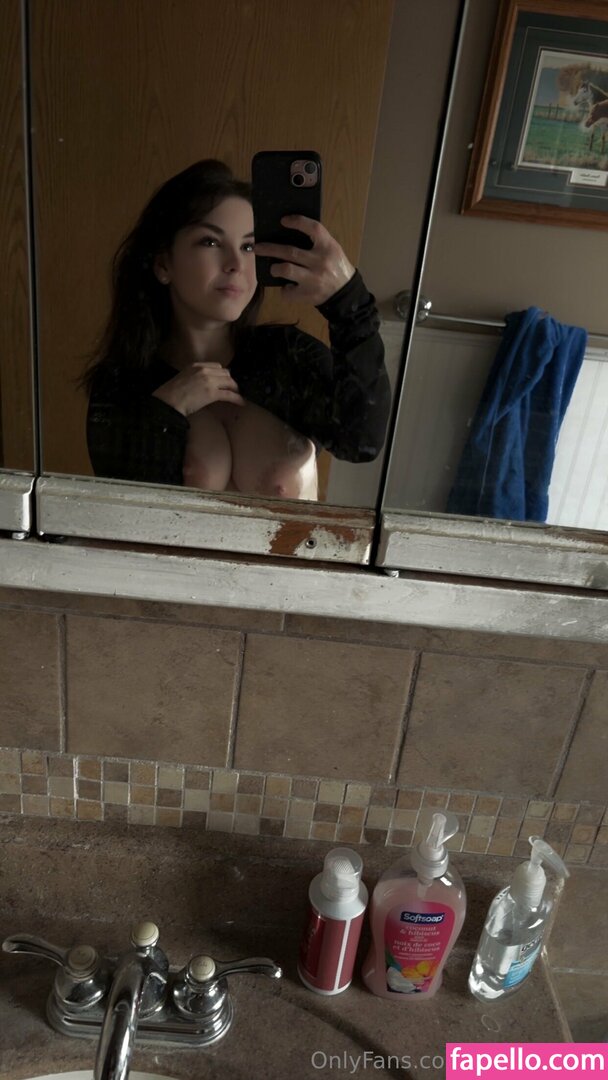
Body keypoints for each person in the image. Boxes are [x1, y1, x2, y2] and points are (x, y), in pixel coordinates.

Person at [83, 159, 391, 500]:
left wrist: (348, 301)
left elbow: (361, 442)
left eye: (248, 247)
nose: (235, 264)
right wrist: (167, 408)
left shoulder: (288, 357)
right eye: (210, 242)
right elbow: (125, 510)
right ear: (163, 263)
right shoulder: (122, 383)